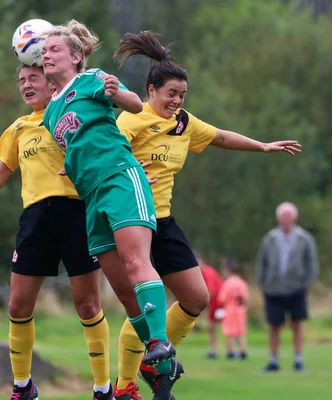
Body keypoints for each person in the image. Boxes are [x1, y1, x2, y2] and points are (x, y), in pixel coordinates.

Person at [112, 30, 302, 400]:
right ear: (151, 91)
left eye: (182, 95)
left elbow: (219, 137)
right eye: (171, 94)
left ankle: (154, 358)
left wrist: (262, 146)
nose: (177, 101)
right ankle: (124, 386)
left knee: (196, 299)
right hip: (134, 222)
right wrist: (129, 168)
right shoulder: (130, 121)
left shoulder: (183, 123)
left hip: (163, 221)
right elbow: (107, 156)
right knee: (143, 308)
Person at [0, 64, 114, 400]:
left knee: (87, 304)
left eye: (33, 78)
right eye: (20, 80)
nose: (25, 85)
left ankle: (103, 388)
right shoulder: (19, 127)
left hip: (77, 213)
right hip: (36, 220)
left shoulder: (75, 115)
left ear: (52, 82)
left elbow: (107, 151)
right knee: (18, 306)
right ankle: (22, 386)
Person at [42, 20, 180, 400]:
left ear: (75, 56)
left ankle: (161, 346)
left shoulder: (92, 80)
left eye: (55, 49)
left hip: (120, 177)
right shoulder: (49, 112)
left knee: (136, 263)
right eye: (45, 50)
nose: (47, 54)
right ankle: (164, 366)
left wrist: (118, 93)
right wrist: (70, 164)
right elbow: (77, 148)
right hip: (91, 197)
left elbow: (135, 105)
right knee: (121, 287)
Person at [256, 202, 318, 372]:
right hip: (273, 288)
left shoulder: (304, 238)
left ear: (295, 218)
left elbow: (312, 262)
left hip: (297, 288)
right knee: (274, 325)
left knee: (297, 324)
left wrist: (306, 284)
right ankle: (273, 359)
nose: (286, 220)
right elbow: (262, 263)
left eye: (288, 216)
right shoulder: (269, 239)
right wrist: (262, 284)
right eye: (283, 216)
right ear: (278, 218)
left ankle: (298, 359)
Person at [217, 258, 249, 360]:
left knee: (229, 332)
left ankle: (230, 351)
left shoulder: (228, 283)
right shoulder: (242, 283)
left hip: (230, 310)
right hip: (241, 310)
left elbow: (222, 299)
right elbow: (245, 297)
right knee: (240, 332)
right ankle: (243, 350)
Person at [197, 252, 223, 359]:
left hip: (218, 304)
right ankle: (213, 350)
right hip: (215, 303)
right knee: (211, 328)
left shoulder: (207, 272)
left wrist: (202, 306)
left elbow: (210, 291)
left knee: (216, 327)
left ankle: (227, 350)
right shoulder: (205, 272)